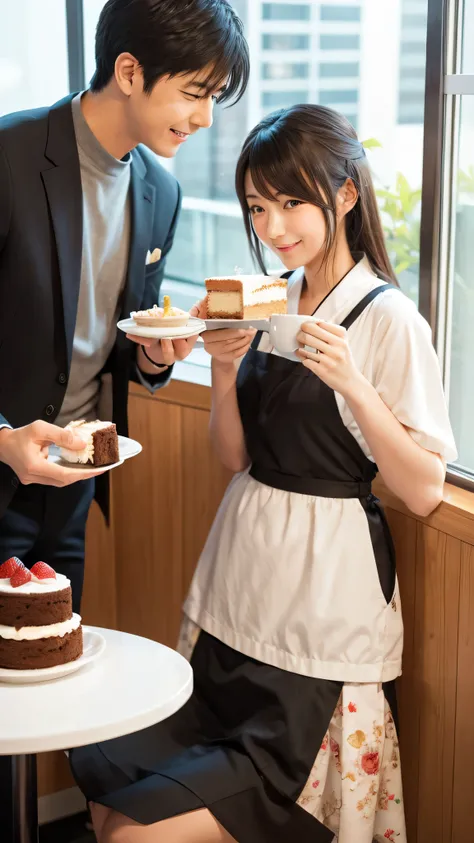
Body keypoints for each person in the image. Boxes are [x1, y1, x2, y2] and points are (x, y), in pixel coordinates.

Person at [69, 105, 457, 843]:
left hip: (320, 624)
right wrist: (220, 372)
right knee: (111, 798)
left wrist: (354, 383)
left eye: (291, 202)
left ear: (344, 195)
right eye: (257, 205)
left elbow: (422, 488)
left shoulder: (388, 319)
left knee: (133, 834)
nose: (273, 226)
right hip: (236, 596)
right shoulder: (271, 297)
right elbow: (235, 458)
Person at [0, 0, 249, 613]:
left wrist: (161, 356)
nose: (207, 118)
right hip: (3, 464)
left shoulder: (160, 190)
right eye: (195, 92)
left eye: (216, 96)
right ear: (131, 71)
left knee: (53, 661)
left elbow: (127, 350)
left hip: (74, 481)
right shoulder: (9, 155)